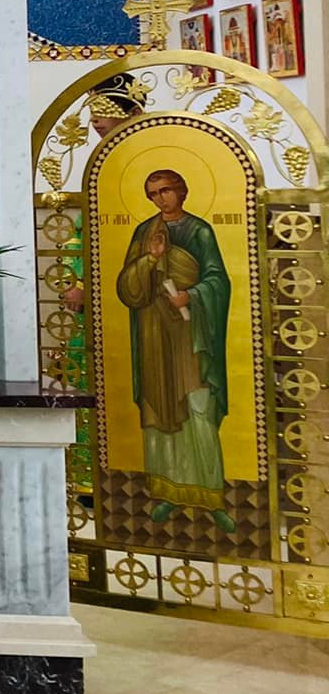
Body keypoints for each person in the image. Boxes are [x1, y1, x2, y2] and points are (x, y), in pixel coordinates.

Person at [115, 169, 233, 529]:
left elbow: (219, 281)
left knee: (198, 409)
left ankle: (211, 496)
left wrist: (192, 296)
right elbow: (127, 288)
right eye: (153, 193)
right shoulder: (144, 232)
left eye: (165, 190)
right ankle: (167, 493)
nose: (160, 198)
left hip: (191, 337)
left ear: (181, 191)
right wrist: (150, 260)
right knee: (159, 411)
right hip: (153, 335)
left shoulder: (199, 232)